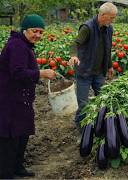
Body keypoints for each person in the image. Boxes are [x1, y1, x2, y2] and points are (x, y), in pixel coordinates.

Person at [0, 14, 56, 178]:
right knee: (10, 136)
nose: (37, 35)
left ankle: (17, 166)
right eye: (34, 31)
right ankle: (5, 172)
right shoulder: (17, 45)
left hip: (20, 98)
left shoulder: (24, 45)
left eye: (40, 32)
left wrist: (37, 75)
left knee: (22, 132)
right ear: (24, 30)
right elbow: (17, 73)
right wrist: (41, 73)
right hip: (9, 99)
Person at [68, 2, 117, 132]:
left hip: (99, 72)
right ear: (103, 15)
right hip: (84, 72)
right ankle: (82, 130)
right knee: (83, 104)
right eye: (111, 17)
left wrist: (110, 66)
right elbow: (75, 43)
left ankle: (99, 124)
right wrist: (73, 55)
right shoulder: (87, 27)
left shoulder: (109, 29)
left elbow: (108, 48)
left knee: (102, 99)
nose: (113, 20)